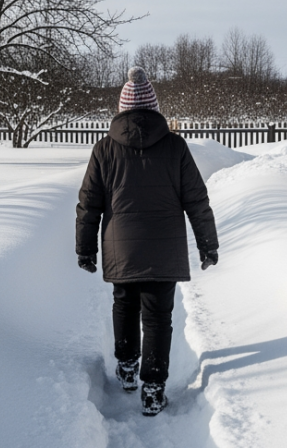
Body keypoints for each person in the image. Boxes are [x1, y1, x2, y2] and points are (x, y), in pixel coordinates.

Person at [75, 67, 219, 417]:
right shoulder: (175, 146)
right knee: (157, 318)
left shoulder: (104, 149)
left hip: (121, 247)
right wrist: (207, 244)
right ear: (154, 108)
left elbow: (89, 203)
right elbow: (196, 200)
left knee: (124, 304)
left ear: (122, 109)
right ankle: (153, 389)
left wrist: (85, 248)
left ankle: (126, 369)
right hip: (163, 249)